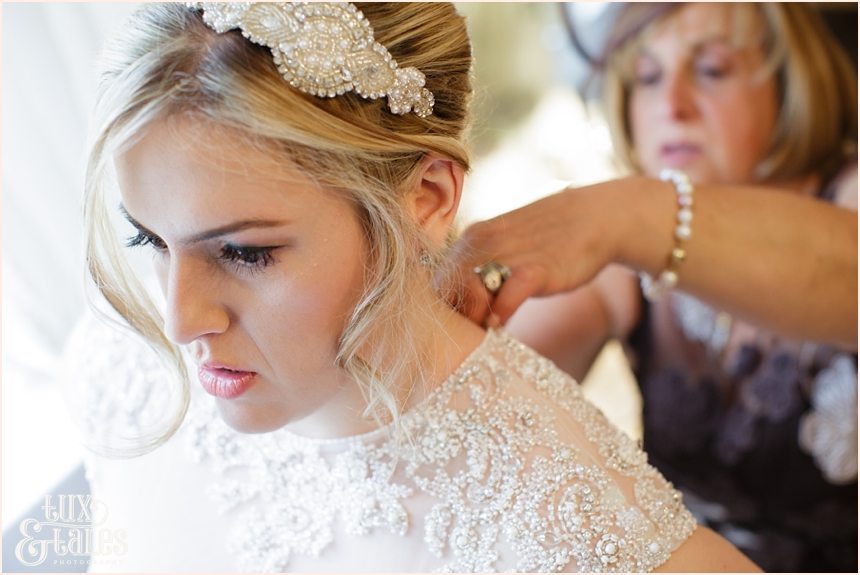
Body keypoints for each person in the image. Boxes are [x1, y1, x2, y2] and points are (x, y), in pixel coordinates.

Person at [71, 2, 762, 572]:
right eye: (148, 240)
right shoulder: (115, 364)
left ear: (427, 197)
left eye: (245, 253)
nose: (178, 319)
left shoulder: (584, 535)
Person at [441, 3, 857, 572]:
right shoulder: (624, 260)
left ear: (791, 80)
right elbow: (484, 391)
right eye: (647, 77)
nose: (672, 105)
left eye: (711, 69)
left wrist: (625, 213)